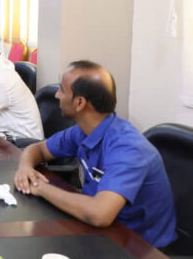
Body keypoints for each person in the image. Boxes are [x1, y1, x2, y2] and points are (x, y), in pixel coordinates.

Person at [14, 61, 177, 248]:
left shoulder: (128, 148)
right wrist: (25, 168)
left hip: (139, 247)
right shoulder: (84, 130)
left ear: (80, 103)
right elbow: (38, 149)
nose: (57, 95)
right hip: (101, 231)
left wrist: (40, 187)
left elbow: (100, 214)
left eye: (62, 90)